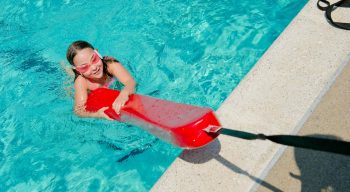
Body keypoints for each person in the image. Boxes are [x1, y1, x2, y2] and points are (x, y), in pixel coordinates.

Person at [66, 40, 136, 120]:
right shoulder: (81, 82)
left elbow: (130, 82)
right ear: (78, 71)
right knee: (68, 92)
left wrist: (124, 93)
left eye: (94, 59)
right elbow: (78, 111)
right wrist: (96, 115)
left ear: (97, 53)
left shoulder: (111, 64)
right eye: (84, 67)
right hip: (88, 91)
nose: (94, 67)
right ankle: (66, 69)